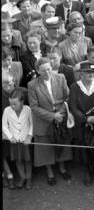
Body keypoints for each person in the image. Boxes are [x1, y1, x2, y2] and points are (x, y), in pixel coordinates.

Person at [27, 57, 73, 185]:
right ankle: (50, 172)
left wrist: (61, 113)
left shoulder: (61, 78)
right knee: (45, 147)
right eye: (43, 71)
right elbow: (34, 107)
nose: (47, 73)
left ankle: (62, 168)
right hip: (44, 119)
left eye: (49, 69)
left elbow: (68, 97)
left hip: (61, 116)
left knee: (62, 143)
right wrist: (52, 116)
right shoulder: (32, 85)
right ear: (37, 71)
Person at [68, 60, 94, 185]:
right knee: (85, 147)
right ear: (81, 74)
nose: (91, 74)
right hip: (82, 123)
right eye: (88, 72)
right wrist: (85, 119)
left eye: (93, 72)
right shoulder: (74, 87)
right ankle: (88, 170)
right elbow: (73, 107)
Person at [2, 88, 33, 189]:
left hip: (25, 141)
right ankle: (22, 177)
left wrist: (29, 136)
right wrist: (10, 137)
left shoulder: (28, 109)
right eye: (11, 103)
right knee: (18, 160)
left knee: (27, 160)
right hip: (14, 142)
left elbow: (32, 124)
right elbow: (4, 126)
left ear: (22, 102)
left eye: (15, 104)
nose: (12, 106)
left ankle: (28, 179)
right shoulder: (7, 110)